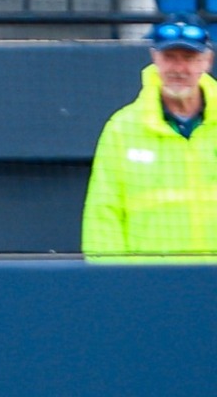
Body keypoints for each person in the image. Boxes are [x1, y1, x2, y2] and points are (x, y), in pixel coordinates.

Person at [82, 15, 217, 258]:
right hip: (149, 289)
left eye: (189, 58)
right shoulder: (122, 129)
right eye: (169, 58)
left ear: (207, 61)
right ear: (154, 58)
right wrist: (117, 287)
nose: (178, 68)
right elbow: (102, 219)